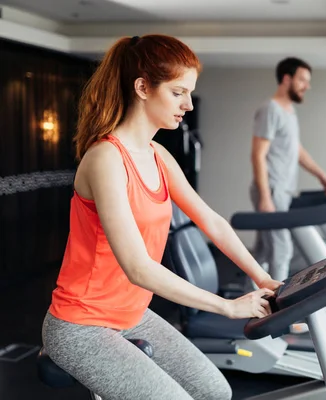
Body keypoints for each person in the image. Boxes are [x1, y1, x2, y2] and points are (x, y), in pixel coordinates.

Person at [41, 34, 282, 400]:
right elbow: (138, 267)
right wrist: (226, 306)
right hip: (82, 325)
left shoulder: (157, 155)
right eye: (177, 92)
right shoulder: (106, 159)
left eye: (189, 93)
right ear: (142, 87)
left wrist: (263, 278)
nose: (187, 104)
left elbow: (211, 221)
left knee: (215, 392)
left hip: (131, 315)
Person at [250, 57, 326, 283]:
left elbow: (296, 150)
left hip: (282, 190)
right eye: (302, 80)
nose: (306, 86)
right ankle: (277, 310)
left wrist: (322, 176)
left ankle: (249, 295)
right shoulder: (270, 109)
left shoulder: (288, 111)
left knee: (263, 250)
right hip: (272, 189)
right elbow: (258, 154)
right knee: (282, 251)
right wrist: (265, 197)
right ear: (287, 79)